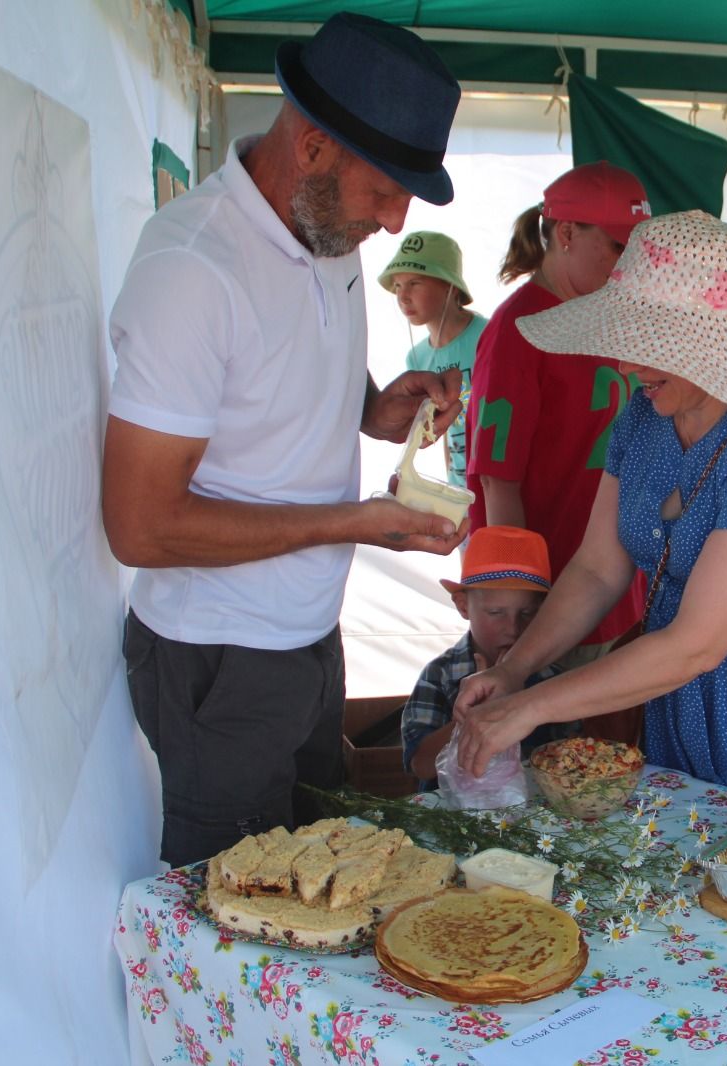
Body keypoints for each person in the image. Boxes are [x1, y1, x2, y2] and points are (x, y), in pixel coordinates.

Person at [101, 13, 469, 868]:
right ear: (311, 150)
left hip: (307, 633)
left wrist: (381, 410)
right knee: (234, 917)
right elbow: (140, 527)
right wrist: (352, 521)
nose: (393, 218)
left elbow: (294, 387)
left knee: (320, 880)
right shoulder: (193, 271)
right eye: (385, 191)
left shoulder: (326, 231)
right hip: (219, 657)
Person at [452, 210, 727, 799]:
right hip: (671, 701)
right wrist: (514, 671)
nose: (626, 364)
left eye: (651, 345)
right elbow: (598, 568)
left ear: (712, 343)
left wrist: (531, 707)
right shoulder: (644, 419)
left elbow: (696, 643)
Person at [464, 162, 651, 694]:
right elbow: (499, 483)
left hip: (618, 586)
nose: (628, 265)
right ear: (566, 234)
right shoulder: (517, 329)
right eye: (618, 247)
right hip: (557, 602)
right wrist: (523, 612)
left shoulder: (615, 314)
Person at [401, 526, 573, 790]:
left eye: (527, 613)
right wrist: (477, 714)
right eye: (495, 612)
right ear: (463, 606)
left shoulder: (553, 677)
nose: (513, 627)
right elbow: (420, 765)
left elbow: (573, 761)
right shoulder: (440, 674)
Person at [379, 231, 485, 487]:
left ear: (449, 285)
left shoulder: (488, 336)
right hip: (461, 485)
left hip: (499, 482)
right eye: (397, 286)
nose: (403, 297)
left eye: (415, 283)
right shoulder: (416, 358)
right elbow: (442, 431)